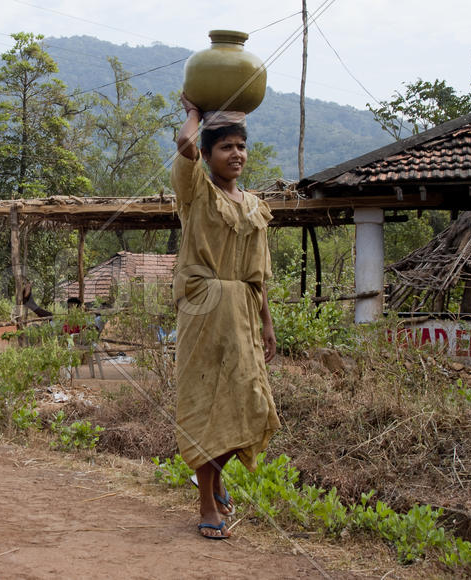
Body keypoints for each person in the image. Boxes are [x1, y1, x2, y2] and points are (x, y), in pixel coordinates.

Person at [171, 99, 279, 540]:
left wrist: (268, 323)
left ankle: (211, 481)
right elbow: (184, 142)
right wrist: (196, 110)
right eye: (226, 148)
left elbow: (259, 273)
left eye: (241, 147)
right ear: (209, 155)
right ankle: (206, 501)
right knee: (205, 403)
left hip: (245, 312)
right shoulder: (196, 190)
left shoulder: (255, 206)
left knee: (249, 404)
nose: (236, 154)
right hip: (203, 308)